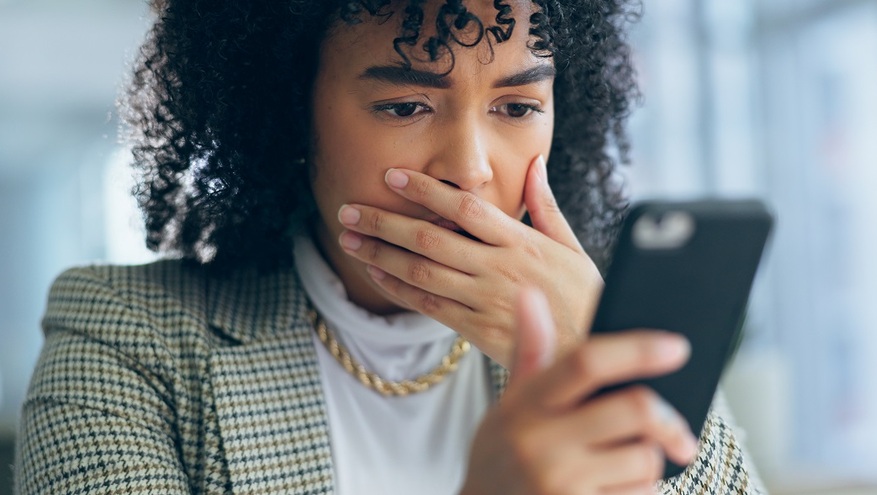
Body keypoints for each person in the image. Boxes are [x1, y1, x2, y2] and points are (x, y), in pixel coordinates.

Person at [14, 1, 764, 494]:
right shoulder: (119, 332)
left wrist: (606, 357)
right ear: (287, 117)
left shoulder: (602, 322)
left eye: (517, 106)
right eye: (405, 105)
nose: (470, 166)